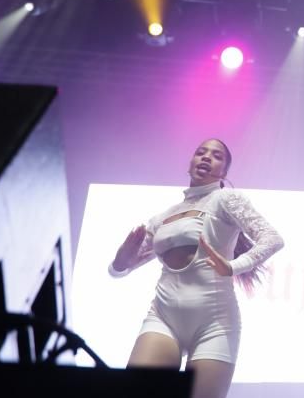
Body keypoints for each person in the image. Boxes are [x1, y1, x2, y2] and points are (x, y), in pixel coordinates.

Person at [109, 138, 284, 398]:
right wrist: (120, 260)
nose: (206, 157)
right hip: (163, 317)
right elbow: (118, 270)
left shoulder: (226, 199)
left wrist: (233, 266)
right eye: (200, 152)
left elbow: (273, 239)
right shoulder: (162, 217)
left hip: (214, 323)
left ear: (223, 171)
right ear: (190, 162)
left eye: (216, 156)